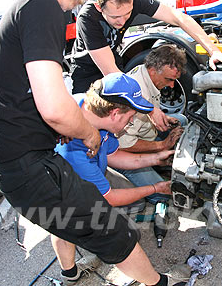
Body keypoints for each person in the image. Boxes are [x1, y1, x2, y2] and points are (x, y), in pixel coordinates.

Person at [0, 0, 178, 286]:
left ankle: (69, 273)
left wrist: (160, 152)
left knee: (65, 220)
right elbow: (54, 109)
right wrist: (87, 135)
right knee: (111, 229)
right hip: (28, 163)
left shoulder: (25, 6)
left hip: (17, 160)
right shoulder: (42, 6)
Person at [51, 73, 185, 284]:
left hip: (94, 175)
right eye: (131, 118)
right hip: (64, 189)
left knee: (136, 202)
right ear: (114, 113)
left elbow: (113, 155)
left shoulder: (91, 109)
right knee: (123, 239)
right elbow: (109, 197)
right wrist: (156, 188)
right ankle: (71, 271)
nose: (131, 123)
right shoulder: (74, 149)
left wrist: (157, 158)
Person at [70, 0, 222, 131]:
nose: (122, 22)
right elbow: (111, 73)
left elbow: (178, 17)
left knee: (122, 122)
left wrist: (213, 50)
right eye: (116, 17)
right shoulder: (88, 17)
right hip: (88, 72)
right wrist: (151, 110)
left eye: (127, 14)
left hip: (112, 59)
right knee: (89, 125)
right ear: (100, 7)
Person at [119, 44, 186, 154]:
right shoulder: (137, 93)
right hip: (124, 151)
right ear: (152, 70)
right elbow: (123, 144)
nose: (172, 85)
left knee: (181, 120)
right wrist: (163, 145)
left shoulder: (144, 71)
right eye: (168, 79)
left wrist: (165, 118)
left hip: (146, 132)